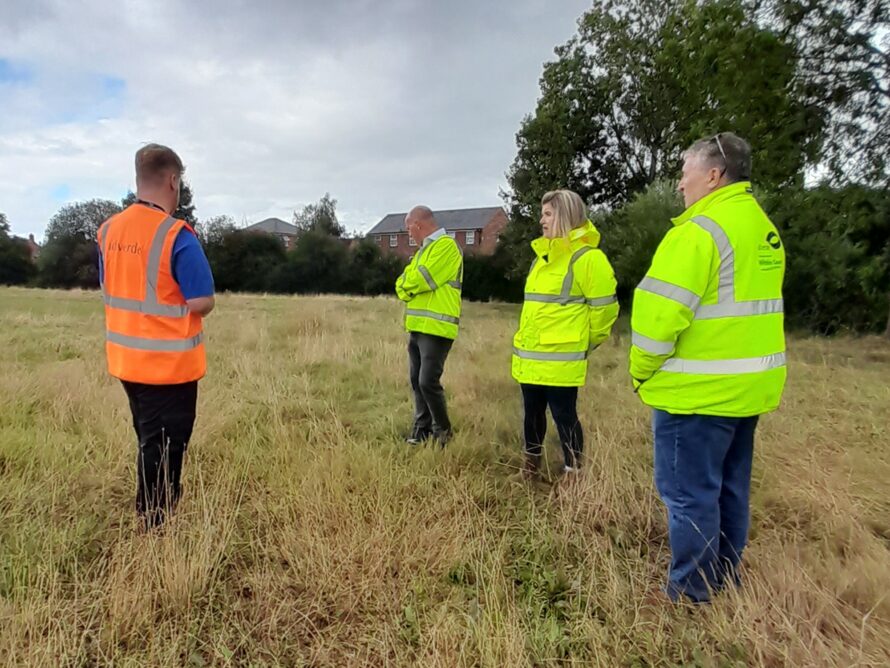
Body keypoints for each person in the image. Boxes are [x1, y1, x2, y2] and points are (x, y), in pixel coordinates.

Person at [629, 132, 786, 603]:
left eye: (685, 172)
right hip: (747, 389)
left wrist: (640, 371)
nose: (680, 185)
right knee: (730, 489)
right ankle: (725, 578)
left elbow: (658, 317)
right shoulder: (761, 227)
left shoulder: (698, 231)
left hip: (698, 394)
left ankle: (691, 593)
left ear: (714, 175)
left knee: (689, 495)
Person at [97, 143, 215, 529]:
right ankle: (155, 521)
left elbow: (111, 285)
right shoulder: (176, 234)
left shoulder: (108, 230)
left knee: (149, 439)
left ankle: (152, 513)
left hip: (126, 361)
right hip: (168, 366)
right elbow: (201, 300)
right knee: (166, 447)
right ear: (173, 180)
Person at [511, 190, 619, 478]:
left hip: (561, 361)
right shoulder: (541, 258)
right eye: (542, 213)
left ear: (565, 216)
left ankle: (573, 473)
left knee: (564, 417)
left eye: (548, 214)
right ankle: (530, 468)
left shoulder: (589, 259)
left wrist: (584, 344)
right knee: (531, 415)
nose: (541, 220)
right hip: (531, 357)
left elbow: (605, 312)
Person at [395, 206, 463, 447]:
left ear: (417, 225)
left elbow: (422, 279)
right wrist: (407, 284)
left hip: (437, 328)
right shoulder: (423, 252)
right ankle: (421, 430)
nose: (408, 234)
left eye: (408, 228)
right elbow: (402, 283)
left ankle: (443, 432)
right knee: (416, 380)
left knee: (427, 382)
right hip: (418, 326)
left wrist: (407, 285)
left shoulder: (446, 247)